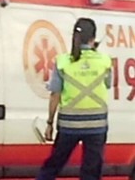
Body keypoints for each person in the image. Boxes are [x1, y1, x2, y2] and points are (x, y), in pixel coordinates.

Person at [36, 18, 112, 180]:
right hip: (96, 126)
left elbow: (55, 94)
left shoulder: (62, 61)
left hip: (68, 125)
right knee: (91, 172)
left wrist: (50, 123)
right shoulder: (105, 61)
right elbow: (108, 84)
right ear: (93, 39)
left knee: (53, 166)